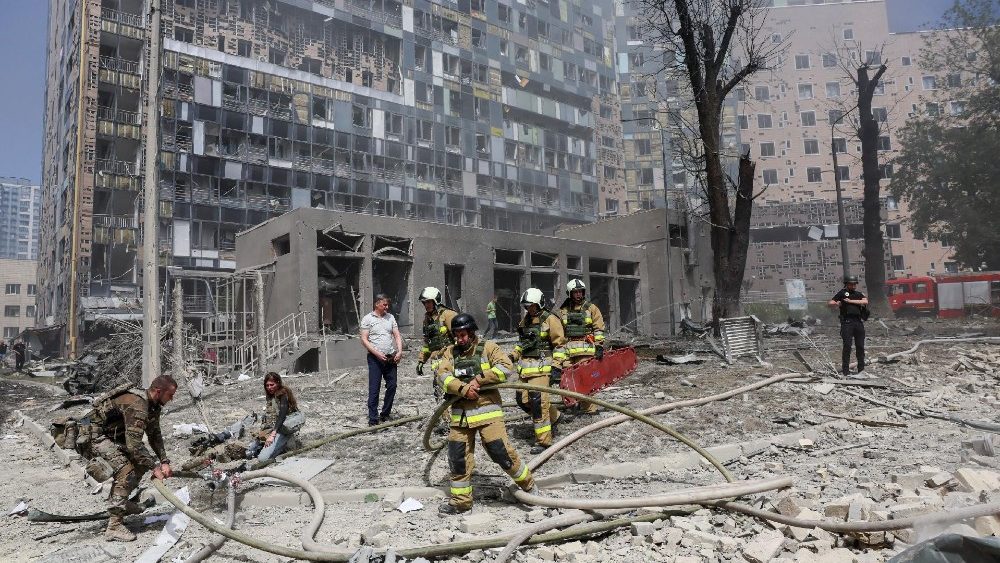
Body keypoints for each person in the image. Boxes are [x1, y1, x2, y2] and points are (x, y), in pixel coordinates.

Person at [435, 313, 535, 515]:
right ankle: (461, 502)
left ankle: (529, 487)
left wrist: (479, 379)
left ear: (472, 333)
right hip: (461, 415)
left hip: (487, 411)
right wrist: (462, 388)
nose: (460, 339)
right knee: (457, 457)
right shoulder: (450, 353)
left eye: (463, 334)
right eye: (457, 335)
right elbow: (442, 376)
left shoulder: (489, 348)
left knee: (500, 452)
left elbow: (505, 368)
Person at [87, 374, 177, 541]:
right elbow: (134, 446)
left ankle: (120, 501)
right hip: (95, 436)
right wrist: (154, 467)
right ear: (158, 391)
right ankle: (114, 526)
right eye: (170, 395)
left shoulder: (153, 405)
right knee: (126, 471)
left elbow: (154, 435)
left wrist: (164, 461)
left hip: (114, 436)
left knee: (140, 464)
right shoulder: (138, 405)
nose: (171, 399)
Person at [511, 288, 567, 454]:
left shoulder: (550, 319)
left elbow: (560, 345)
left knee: (538, 403)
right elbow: (522, 344)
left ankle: (543, 441)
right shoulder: (525, 321)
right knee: (522, 399)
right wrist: (512, 355)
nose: (529, 309)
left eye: (532, 306)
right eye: (527, 306)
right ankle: (554, 417)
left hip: (542, 369)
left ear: (539, 304)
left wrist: (557, 366)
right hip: (525, 370)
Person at [558, 279, 606, 415]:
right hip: (568, 351)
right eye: (575, 292)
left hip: (585, 350)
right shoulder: (562, 311)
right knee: (566, 379)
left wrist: (599, 346)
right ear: (570, 293)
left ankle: (589, 409)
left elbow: (598, 329)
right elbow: (559, 332)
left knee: (586, 379)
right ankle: (571, 404)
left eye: (580, 292)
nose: (578, 294)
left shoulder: (591, 308)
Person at [360, 293, 403, 426]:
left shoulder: (390, 318)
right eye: (384, 304)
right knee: (374, 388)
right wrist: (377, 353)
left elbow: (397, 335)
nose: (387, 307)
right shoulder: (368, 319)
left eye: (387, 305)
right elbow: (364, 339)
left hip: (390, 357)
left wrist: (399, 351)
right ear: (377, 304)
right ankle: (373, 419)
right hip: (375, 359)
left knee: (392, 385)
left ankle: (385, 414)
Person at [415, 286, 457, 400]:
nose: (426, 305)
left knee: (452, 389)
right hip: (436, 361)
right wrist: (421, 360)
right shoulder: (427, 319)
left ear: (435, 301)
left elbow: (459, 337)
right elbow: (427, 343)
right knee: (439, 392)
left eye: (428, 302)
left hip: (450, 359)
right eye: (424, 303)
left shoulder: (448, 315)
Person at [254, 372, 301, 461]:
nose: (269, 387)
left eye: (272, 385)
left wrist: (272, 435)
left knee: (262, 459)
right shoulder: (271, 396)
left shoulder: (283, 394)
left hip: (283, 428)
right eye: (267, 385)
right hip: (273, 428)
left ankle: (286, 442)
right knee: (253, 450)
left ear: (278, 383)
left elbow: (282, 415)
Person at [828, 275, 868, 377]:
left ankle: (861, 369)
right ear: (846, 284)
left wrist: (850, 301)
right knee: (847, 346)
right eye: (851, 284)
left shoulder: (858, 294)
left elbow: (865, 301)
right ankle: (845, 371)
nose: (853, 286)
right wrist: (837, 304)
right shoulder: (842, 293)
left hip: (858, 322)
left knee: (860, 346)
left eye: (855, 284)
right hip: (847, 322)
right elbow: (830, 302)